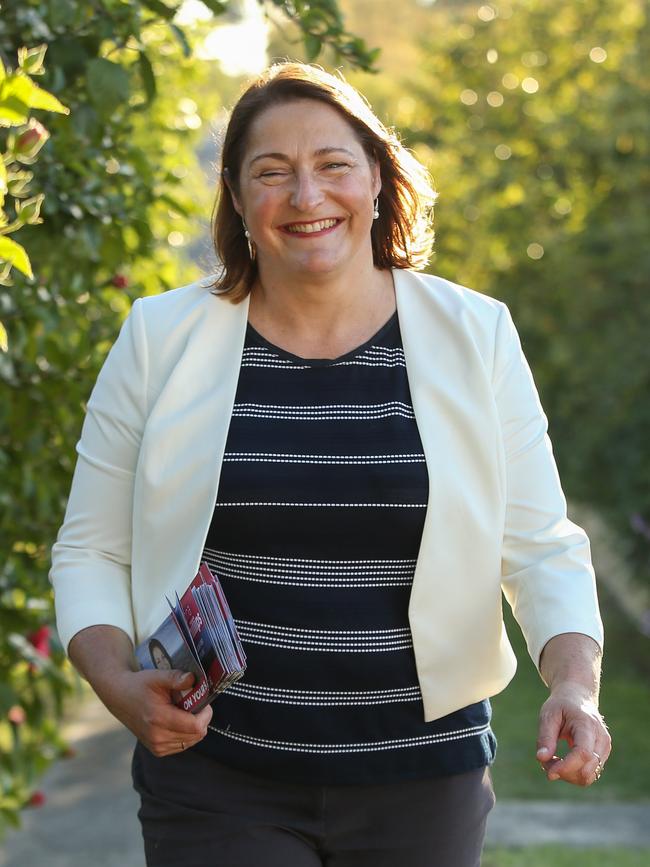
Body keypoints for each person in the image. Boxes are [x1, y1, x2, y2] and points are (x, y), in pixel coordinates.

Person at [50, 62, 611, 867]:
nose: (307, 197)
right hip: (217, 776)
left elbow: (540, 543)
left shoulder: (476, 332)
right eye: (272, 173)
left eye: (333, 165)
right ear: (238, 200)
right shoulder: (158, 338)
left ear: (377, 179)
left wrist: (573, 686)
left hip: (424, 781)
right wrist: (114, 679)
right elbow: (91, 547)